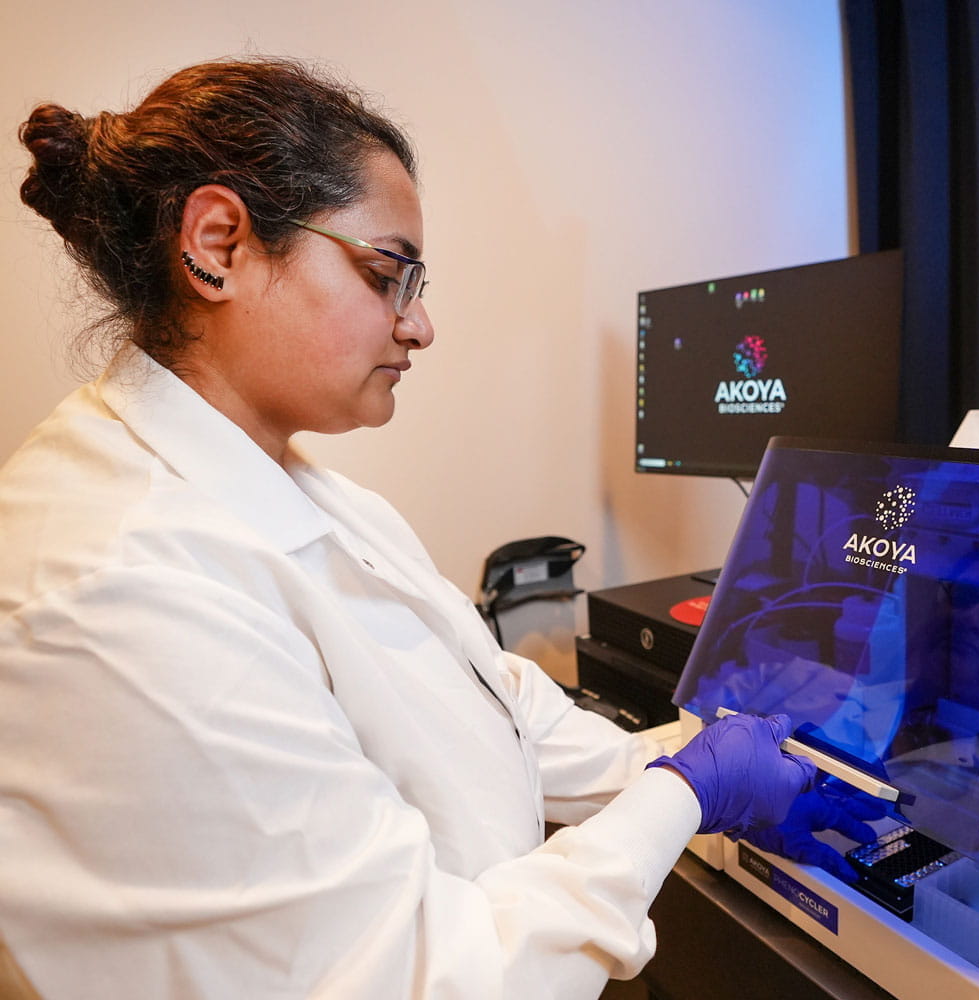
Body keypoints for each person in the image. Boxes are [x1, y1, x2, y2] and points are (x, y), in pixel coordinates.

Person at [0, 58, 823, 1000]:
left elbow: (488, 700)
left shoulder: (306, 491)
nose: (420, 325)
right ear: (219, 245)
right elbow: (420, 980)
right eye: (387, 273)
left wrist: (668, 756)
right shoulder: (117, 591)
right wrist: (690, 794)